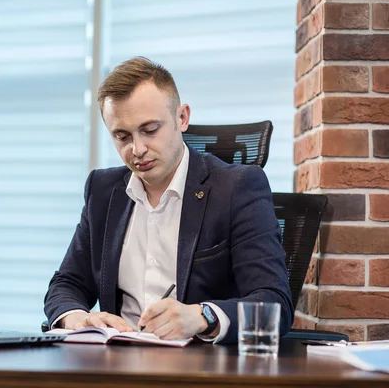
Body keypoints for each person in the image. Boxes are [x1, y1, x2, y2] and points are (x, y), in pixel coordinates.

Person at [43, 57, 292, 343]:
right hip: (117, 366)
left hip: (201, 370)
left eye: (150, 130)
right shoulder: (102, 191)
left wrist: (201, 317)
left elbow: (274, 303)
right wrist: (77, 317)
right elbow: (67, 283)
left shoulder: (237, 187)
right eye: (122, 136)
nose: (137, 149)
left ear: (182, 117)